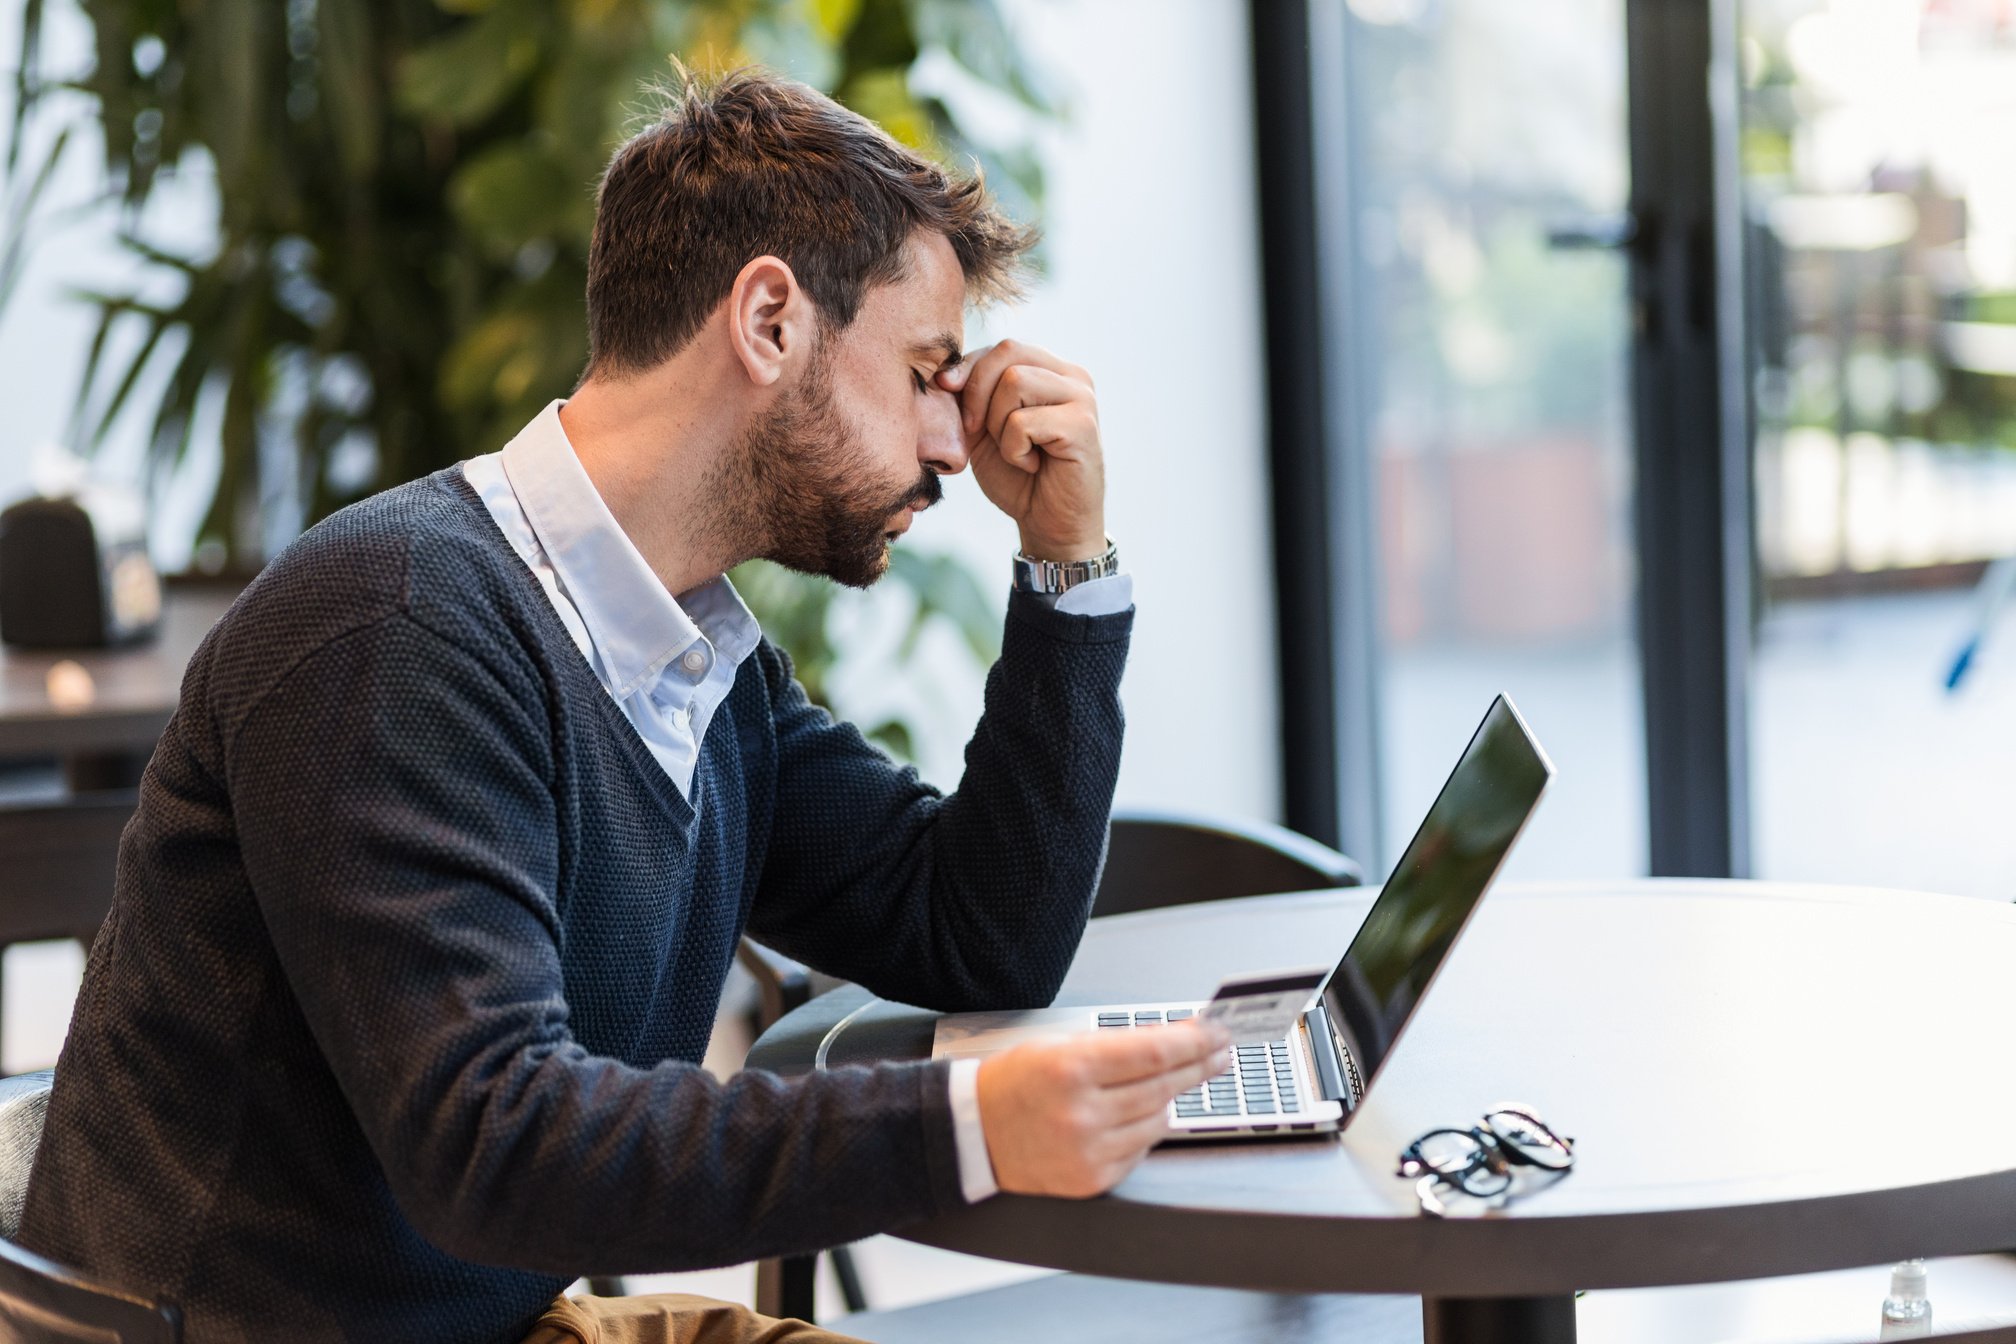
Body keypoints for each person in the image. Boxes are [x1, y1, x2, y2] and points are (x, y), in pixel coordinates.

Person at [18, 66, 1227, 1344]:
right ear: (769, 320)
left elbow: (978, 936)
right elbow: (496, 1143)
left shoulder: (691, 659)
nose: (950, 441)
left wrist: (1066, 568)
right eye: (926, 370)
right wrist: (976, 1125)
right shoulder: (399, 624)